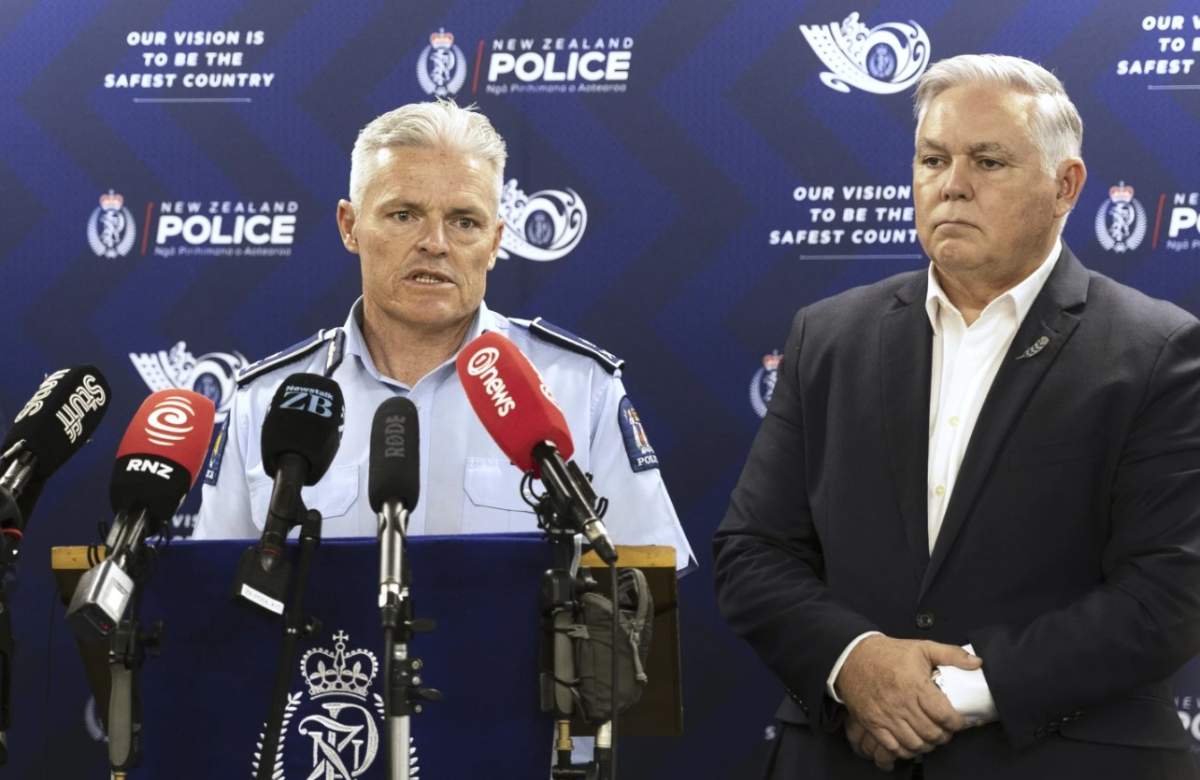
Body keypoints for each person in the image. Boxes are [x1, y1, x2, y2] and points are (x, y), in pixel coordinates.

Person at [713, 53, 1200, 779]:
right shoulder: (829, 335)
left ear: (1065, 186)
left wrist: (956, 696)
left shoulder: (1157, 349)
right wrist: (858, 665)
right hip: (843, 757)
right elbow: (752, 552)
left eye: (988, 161)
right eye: (933, 159)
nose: (952, 185)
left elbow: (1169, 590)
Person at [194, 100, 694, 573]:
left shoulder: (579, 388)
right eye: (404, 215)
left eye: (464, 222)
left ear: (496, 242)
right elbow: (210, 597)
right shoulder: (268, 401)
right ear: (350, 227)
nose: (434, 244)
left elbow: (643, 584)